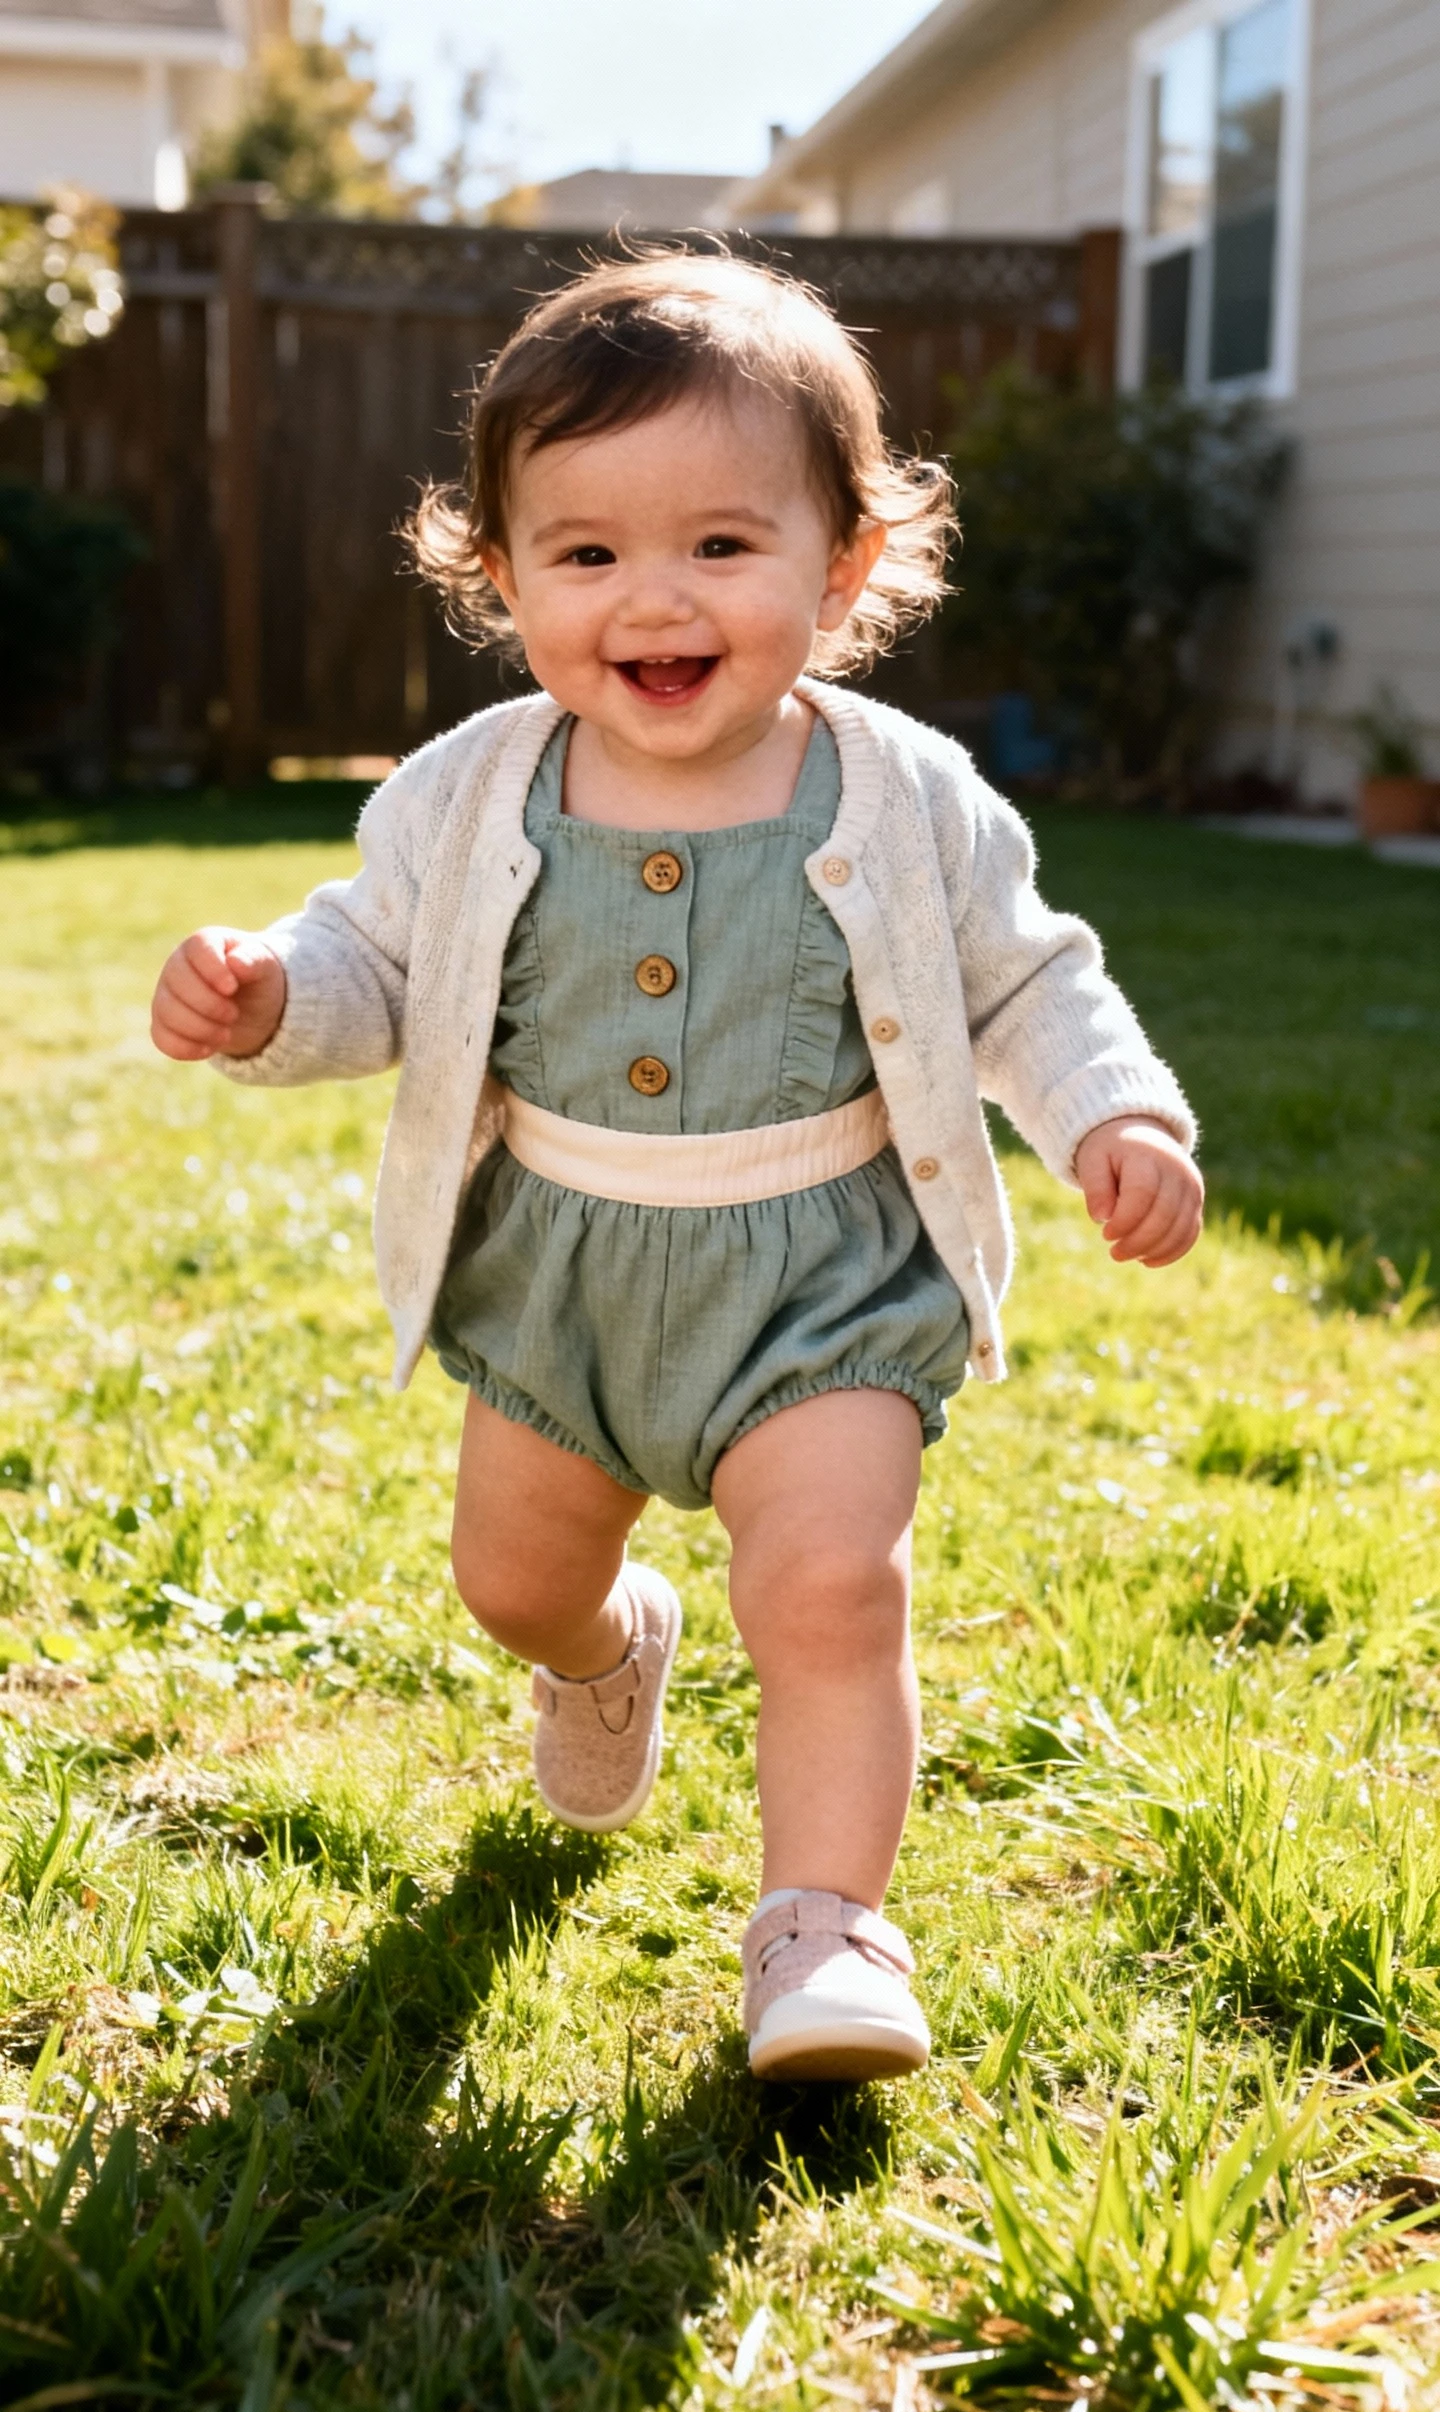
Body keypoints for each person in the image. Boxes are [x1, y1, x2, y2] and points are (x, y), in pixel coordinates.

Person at [150, 250, 1202, 2085]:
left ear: (845, 561)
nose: (657, 596)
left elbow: (1031, 977)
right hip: (560, 1281)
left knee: (829, 1589)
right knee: (508, 1584)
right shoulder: (473, 789)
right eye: (588, 554)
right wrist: (269, 999)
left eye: (724, 545)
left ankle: (823, 1932)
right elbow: (376, 965)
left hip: (821, 1283)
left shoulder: (906, 793)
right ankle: (604, 1647)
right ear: (502, 575)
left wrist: (1116, 1115)